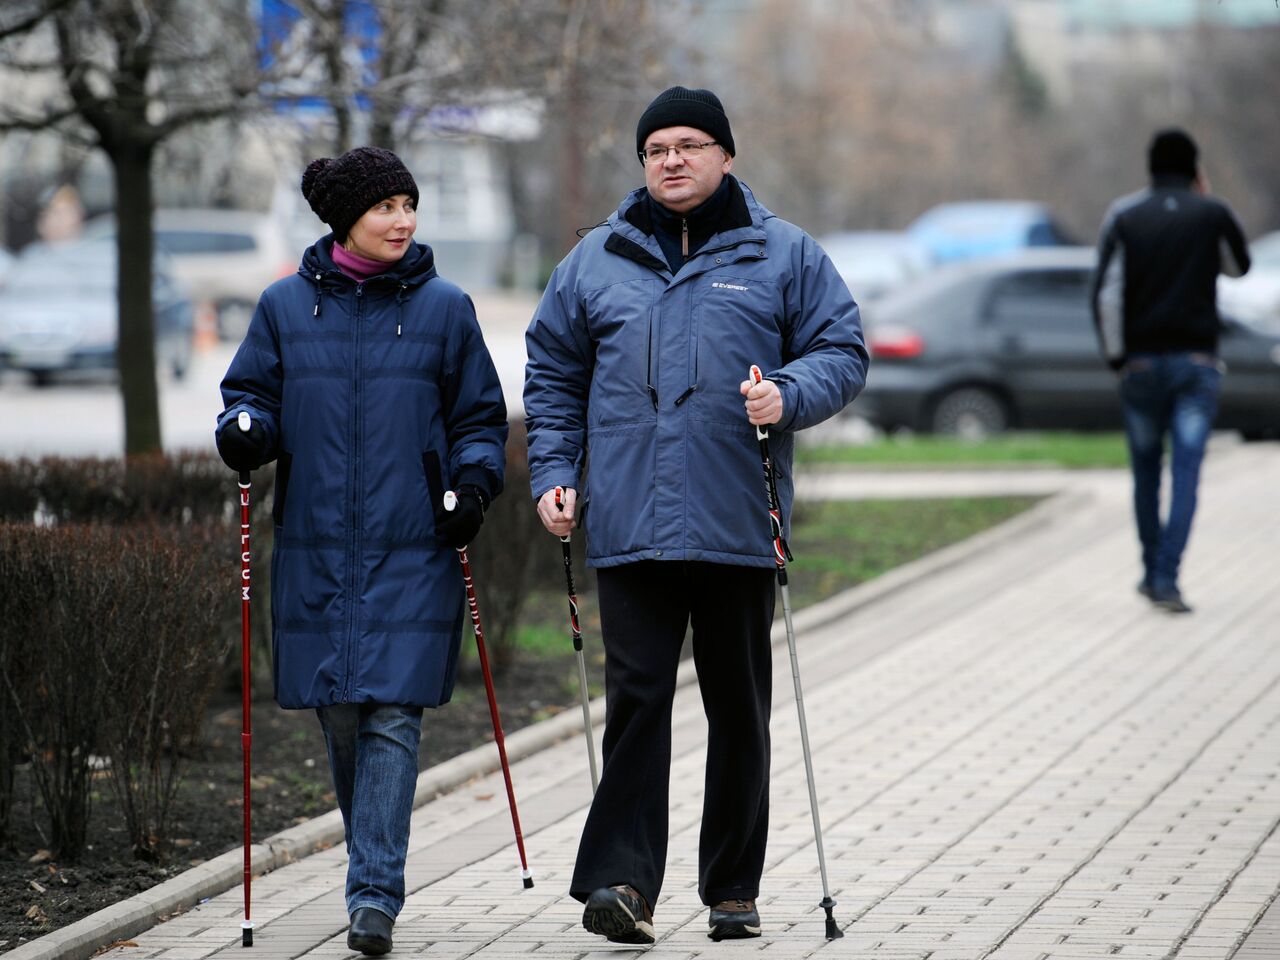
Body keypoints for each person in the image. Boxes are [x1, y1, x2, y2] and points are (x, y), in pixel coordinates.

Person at [523, 86, 867, 944]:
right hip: (630, 523)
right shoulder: (593, 261)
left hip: (737, 520)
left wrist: (787, 396)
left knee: (737, 707)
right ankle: (621, 884)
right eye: (655, 150)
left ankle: (732, 887)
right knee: (637, 700)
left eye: (688, 144)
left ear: (724, 154)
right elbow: (553, 376)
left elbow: (843, 349)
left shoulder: (783, 254)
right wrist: (555, 475)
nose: (670, 161)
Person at [214, 146, 508, 955]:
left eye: (410, 205)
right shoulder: (283, 308)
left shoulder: (447, 308)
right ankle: (368, 862)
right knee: (341, 713)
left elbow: (481, 419)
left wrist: (472, 488)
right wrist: (244, 431)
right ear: (346, 218)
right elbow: (250, 398)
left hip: (412, 543)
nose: (404, 220)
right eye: (387, 207)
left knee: (392, 715)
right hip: (315, 544)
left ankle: (374, 894)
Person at [1091, 128, 1250, 614]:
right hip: (1197, 365)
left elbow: (1108, 295)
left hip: (1139, 365)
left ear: (1151, 166)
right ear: (1195, 169)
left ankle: (1149, 569)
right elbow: (1238, 267)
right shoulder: (1213, 213)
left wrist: (1118, 358)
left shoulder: (1124, 216)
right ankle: (1167, 578)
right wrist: (1206, 204)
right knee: (1185, 472)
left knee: (1145, 472)